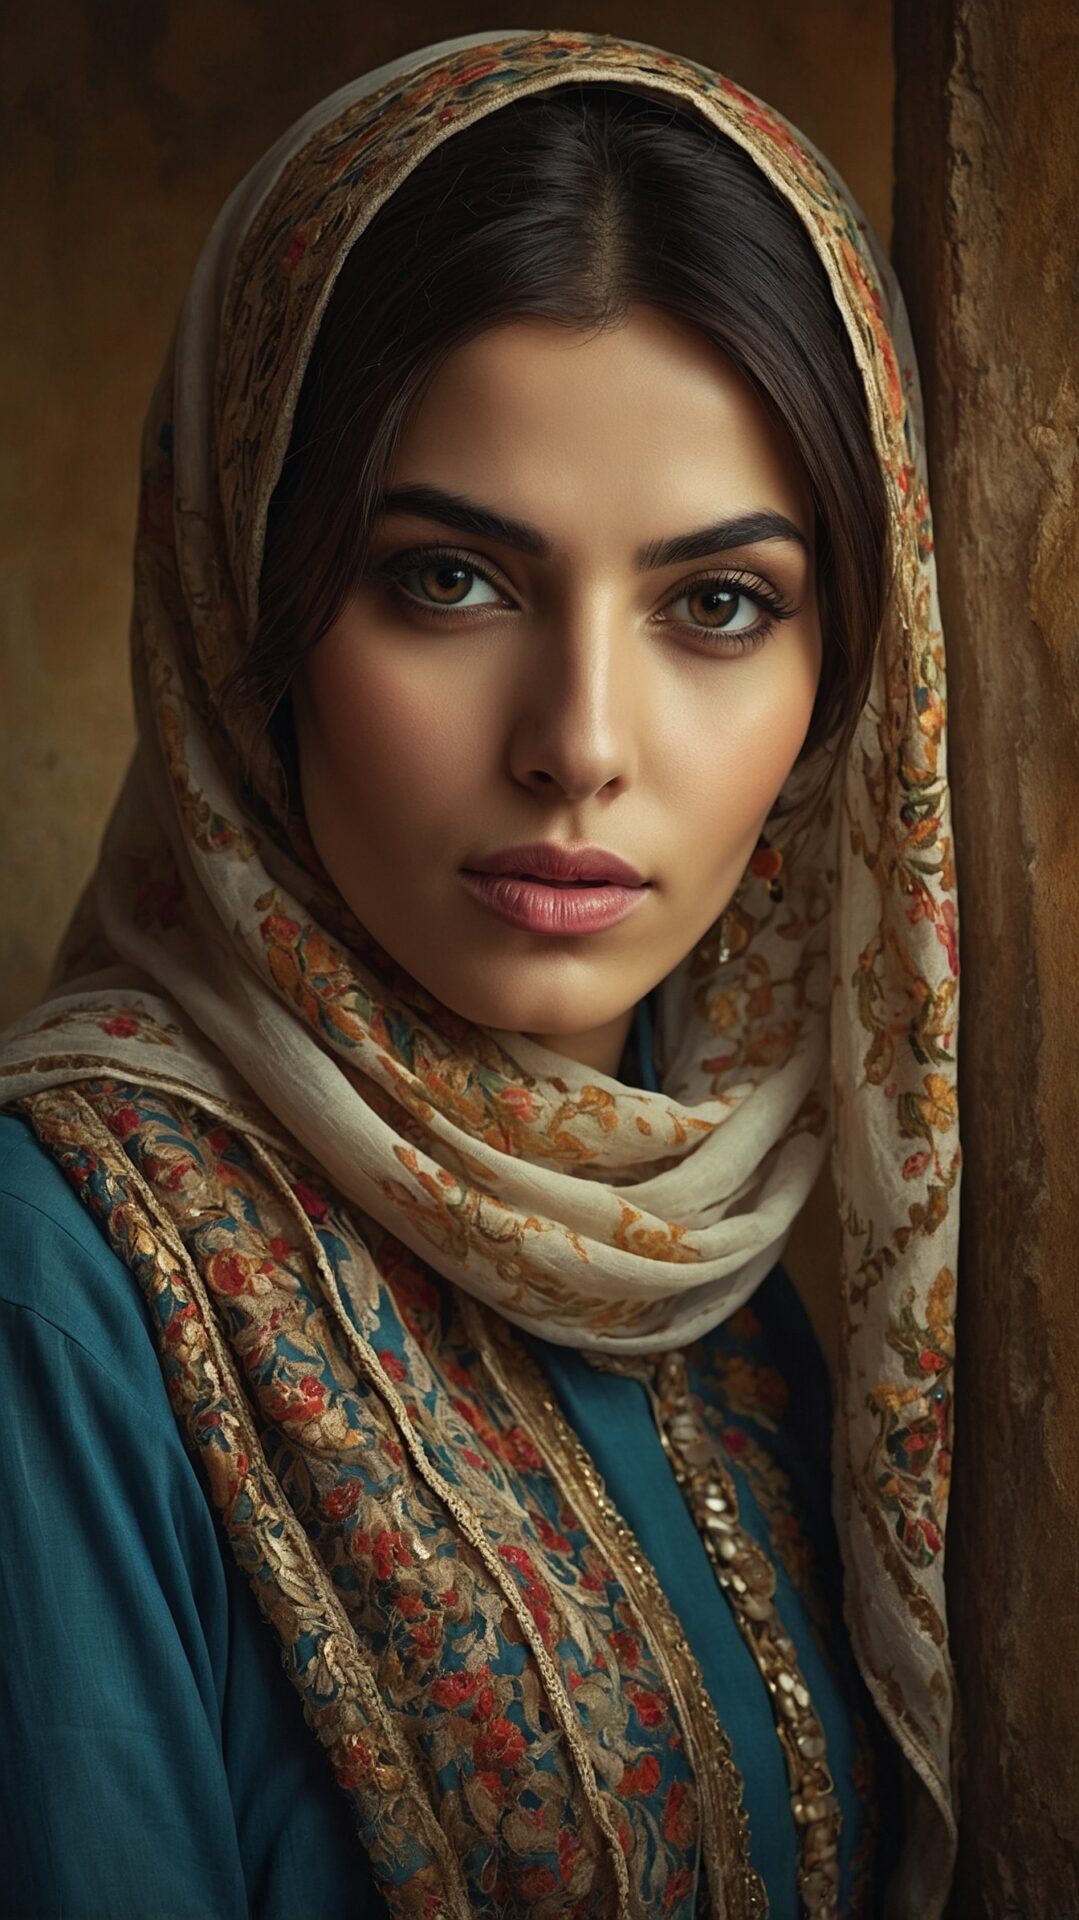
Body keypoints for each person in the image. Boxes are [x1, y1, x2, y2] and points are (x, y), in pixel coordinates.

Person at [0, 28, 962, 1920]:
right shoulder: (63, 1278)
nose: (580, 742)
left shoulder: (727, 1265)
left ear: (849, 671)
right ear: (245, 611)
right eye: (450, 579)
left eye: (717, 604)